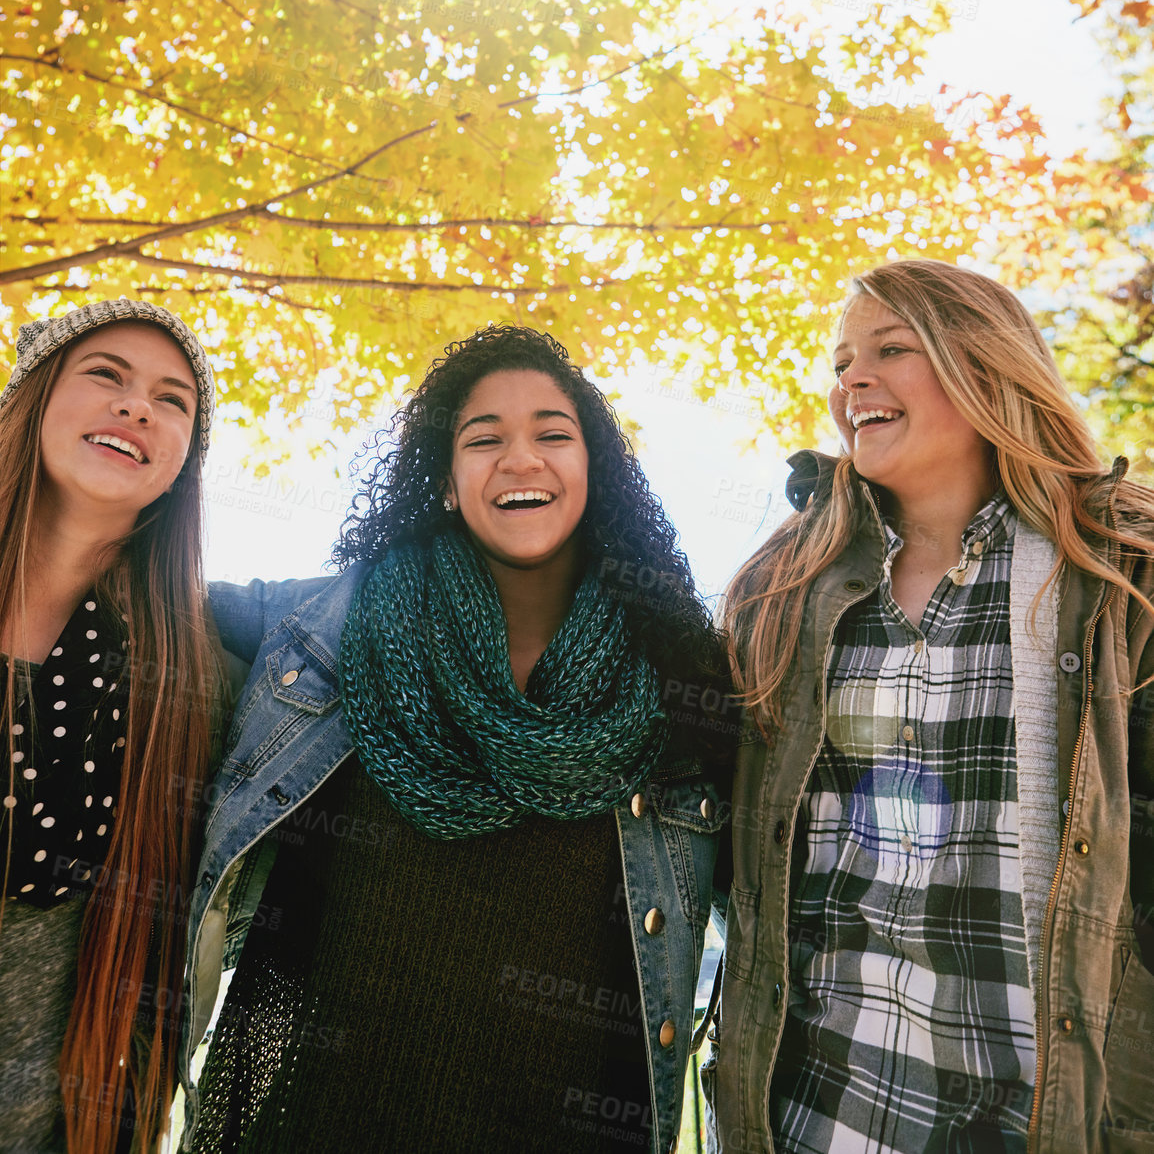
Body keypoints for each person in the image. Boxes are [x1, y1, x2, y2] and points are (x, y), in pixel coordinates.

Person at [180, 324, 735, 1154]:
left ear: (596, 472)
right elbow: (125, 592)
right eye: (484, 439)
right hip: (323, 1122)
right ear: (444, 481)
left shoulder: (681, 673)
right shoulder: (323, 629)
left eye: (554, 434)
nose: (521, 459)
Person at [712, 259, 1154, 1154]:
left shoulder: (1118, 570)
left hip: (1048, 1116)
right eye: (841, 363)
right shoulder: (782, 593)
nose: (850, 381)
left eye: (889, 348)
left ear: (986, 367)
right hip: (817, 1116)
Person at [0, 299, 225, 1154]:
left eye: (174, 401)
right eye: (106, 375)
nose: (139, 406)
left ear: (180, 465)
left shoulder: (194, 678)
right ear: (32, 397)